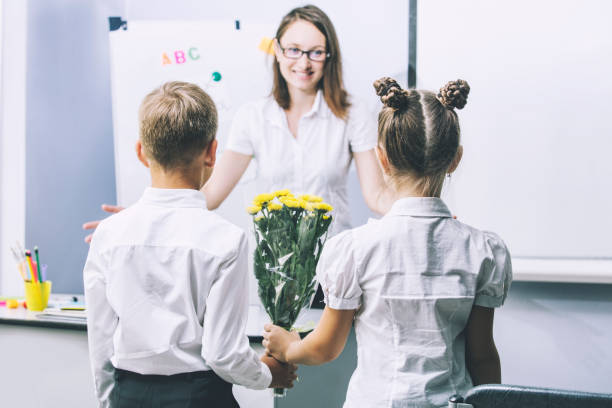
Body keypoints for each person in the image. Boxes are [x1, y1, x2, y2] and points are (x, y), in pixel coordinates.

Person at [262, 77, 513, 407]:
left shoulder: (355, 249)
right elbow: (482, 356)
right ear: (455, 159)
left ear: (382, 159)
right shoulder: (482, 251)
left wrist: (289, 347)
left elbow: (325, 347)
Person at [83, 4, 393, 243]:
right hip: (277, 270)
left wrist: (423, 207)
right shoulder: (253, 117)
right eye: (294, 50)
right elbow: (210, 196)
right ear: (278, 51)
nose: (303, 62)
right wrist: (143, 216)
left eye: (316, 52)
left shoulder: (352, 113)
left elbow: (377, 197)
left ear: (329, 57)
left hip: (333, 266)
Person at [84, 81, 296, 408]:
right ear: (212, 153)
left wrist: (109, 402)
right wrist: (269, 375)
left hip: (130, 396)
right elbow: (222, 353)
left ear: (141, 152)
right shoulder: (226, 240)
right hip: (200, 398)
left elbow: (101, 345)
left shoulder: (109, 235)